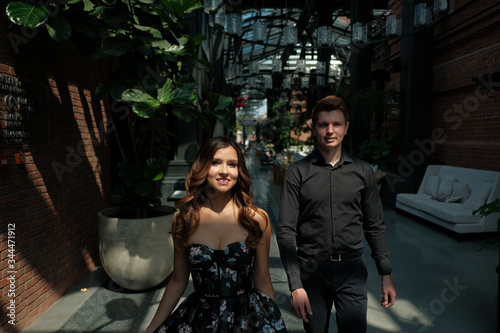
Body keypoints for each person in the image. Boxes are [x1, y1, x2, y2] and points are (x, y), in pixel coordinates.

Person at [277, 95, 396, 333]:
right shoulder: (297, 173)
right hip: (311, 272)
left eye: (337, 124)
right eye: (323, 124)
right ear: (313, 128)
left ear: (346, 127)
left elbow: (374, 224)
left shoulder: (362, 171)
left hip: (352, 271)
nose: (330, 131)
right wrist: (295, 285)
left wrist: (385, 273)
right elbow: (286, 231)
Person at [145, 136, 287, 333]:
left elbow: (262, 280)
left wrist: (275, 323)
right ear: (203, 168)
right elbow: (178, 281)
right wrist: (151, 328)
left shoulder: (256, 219)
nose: (224, 171)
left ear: (239, 171)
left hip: (246, 320)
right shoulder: (184, 220)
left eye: (232, 164)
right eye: (215, 163)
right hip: (200, 320)